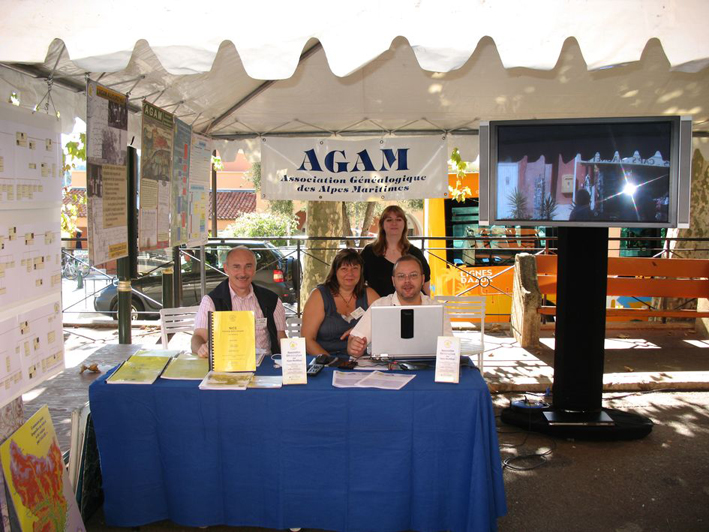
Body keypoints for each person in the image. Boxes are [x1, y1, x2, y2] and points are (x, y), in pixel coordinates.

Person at [347, 254, 452, 357]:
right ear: (393, 281)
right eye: (401, 276)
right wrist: (355, 347)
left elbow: (449, 347)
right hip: (386, 367)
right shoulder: (379, 306)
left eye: (413, 275)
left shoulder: (438, 309)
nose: (407, 281)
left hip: (428, 366)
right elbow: (354, 340)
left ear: (423, 279)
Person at [192, 246, 287, 357]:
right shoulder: (211, 301)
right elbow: (198, 337)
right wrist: (201, 348)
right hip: (228, 363)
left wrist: (293, 357)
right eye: (236, 267)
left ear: (255, 268)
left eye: (248, 266)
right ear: (226, 268)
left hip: (266, 362)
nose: (242, 273)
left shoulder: (272, 300)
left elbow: (281, 338)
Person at [301, 249, 379, 356]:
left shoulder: (369, 294)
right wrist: (331, 362)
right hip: (323, 359)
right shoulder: (319, 295)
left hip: (360, 360)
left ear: (361, 272)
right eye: (344, 269)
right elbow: (307, 340)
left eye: (355, 268)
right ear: (335, 272)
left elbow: (386, 325)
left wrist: (363, 329)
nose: (350, 273)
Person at [360, 205, 431, 297]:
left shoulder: (415, 254)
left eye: (398, 219)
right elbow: (358, 283)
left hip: (411, 305)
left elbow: (426, 285)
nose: (394, 223)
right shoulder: (369, 252)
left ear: (404, 224)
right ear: (382, 224)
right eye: (389, 220)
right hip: (378, 305)